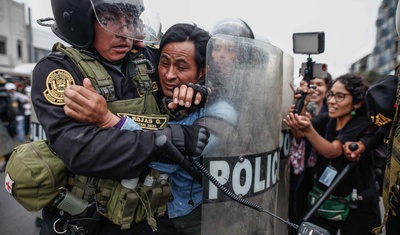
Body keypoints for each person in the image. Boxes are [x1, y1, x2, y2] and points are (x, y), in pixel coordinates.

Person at [31, 0, 209, 234]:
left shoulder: (147, 58)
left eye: (130, 20)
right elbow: (81, 150)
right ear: (78, 19)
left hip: (146, 214)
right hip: (87, 219)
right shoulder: (59, 72)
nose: (124, 33)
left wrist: (200, 90)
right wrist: (166, 139)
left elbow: (197, 65)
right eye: (110, 19)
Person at [284, 73, 380, 235]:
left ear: (357, 103)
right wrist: (302, 107)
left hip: (358, 206)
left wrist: (308, 128)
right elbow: (300, 134)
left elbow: (331, 151)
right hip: (324, 201)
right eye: (331, 95)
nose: (332, 101)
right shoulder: (327, 120)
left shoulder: (362, 123)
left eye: (340, 96)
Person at [288, 72, 332, 233]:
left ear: (328, 89)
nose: (314, 89)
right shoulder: (304, 107)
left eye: (319, 84)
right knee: (299, 213)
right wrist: (301, 103)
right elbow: (298, 134)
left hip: (324, 172)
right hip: (303, 172)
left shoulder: (333, 112)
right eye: (311, 84)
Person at [0, 77, 15, 171]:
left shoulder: (3, 96)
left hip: (5, 123)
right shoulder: (4, 96)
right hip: (5, 123)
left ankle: (7, 164)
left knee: (5, 143)